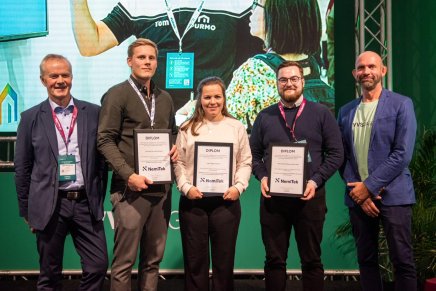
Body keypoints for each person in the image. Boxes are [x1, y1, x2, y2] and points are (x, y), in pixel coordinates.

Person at [14, 54, 108, 290]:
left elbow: (102, 162)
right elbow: (22, 168)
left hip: (86, 203)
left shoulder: (94, 113)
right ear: (43, 80)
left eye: (65, 75)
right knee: (49, 274)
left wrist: (97, 197)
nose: (60, 80)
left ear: (72, 78)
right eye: (53, 76)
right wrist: (27, 209)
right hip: (50, 205)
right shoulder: (30, 118)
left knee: (98, 266)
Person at [250, 61, 343, 291]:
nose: (288, 83)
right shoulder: (265, 116)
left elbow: (336, 153)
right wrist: (262, 177)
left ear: (302, 81)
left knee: (311, 261)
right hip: (274, 201)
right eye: (283, 79)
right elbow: (253, 155)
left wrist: (315, 180)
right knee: (274, 261)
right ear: (277, 84)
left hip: (309, 199)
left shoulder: (321, 113)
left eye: (293, 79)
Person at [69, 0, 262, 110]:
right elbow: (90, 44)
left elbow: (265, 51)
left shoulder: (238, 3)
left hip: (214, 116)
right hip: (156, 119)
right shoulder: (138, 3)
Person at [97, 38, 178, 291]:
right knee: (123, 263)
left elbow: (173, 132)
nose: (147, 62)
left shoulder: (165, 97)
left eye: (151, 58)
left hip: (161, 190)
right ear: (129, 61)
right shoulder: (117, 94)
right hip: (129, 190)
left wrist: (175, 145)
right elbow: (105, 140)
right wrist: (129, 175)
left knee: (153, 261)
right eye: (141, 57)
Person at [337, 51, 417, 291]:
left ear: (383, 71)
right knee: (366, 261)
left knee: (402, 261)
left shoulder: (402, 104)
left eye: (372, 66)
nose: (366, 71)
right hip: (359, 199)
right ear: (354, 74)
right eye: (361, 68)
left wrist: (368, 187)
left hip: (394, 197)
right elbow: (342, 156)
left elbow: (402, 153)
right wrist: (358, 192)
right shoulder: (345, 111)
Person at [174, 76, 252, 291]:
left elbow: (245, 162)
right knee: (195, 264)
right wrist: (185, 187)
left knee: (224, 264)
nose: (212, 102)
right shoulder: (187, 128)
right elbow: (178, 162)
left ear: (224, 98)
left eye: (217, 96)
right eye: (207, 97)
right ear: (199, 99)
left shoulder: (236, 127)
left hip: (226, 203)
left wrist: (238, 187)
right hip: (193, 203)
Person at [227, 0, 334, 129]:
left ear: (277, 14)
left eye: (256, 4)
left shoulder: (253, 71)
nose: (251, 10)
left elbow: (226, 127)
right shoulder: (312, 65)